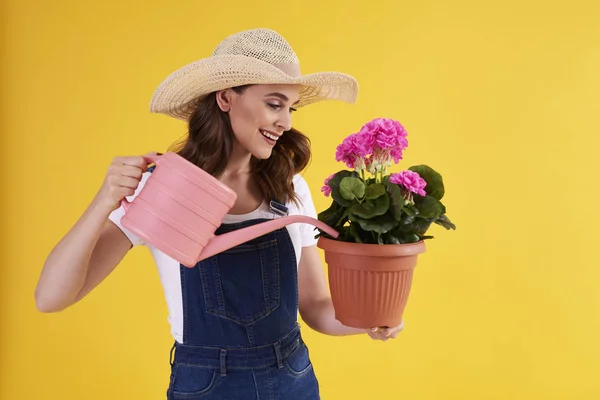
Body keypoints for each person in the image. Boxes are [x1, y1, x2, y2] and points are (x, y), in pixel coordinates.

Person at [35, 28, 404, 399]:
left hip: (293, 378)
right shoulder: (165, 190)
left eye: (290, 108)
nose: (287, 123)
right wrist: (103, 201)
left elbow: (316, 308)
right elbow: (51, 298)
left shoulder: (290, 189)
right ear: (226, 98)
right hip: (208, 386)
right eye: (274, 104)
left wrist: (369, 321)